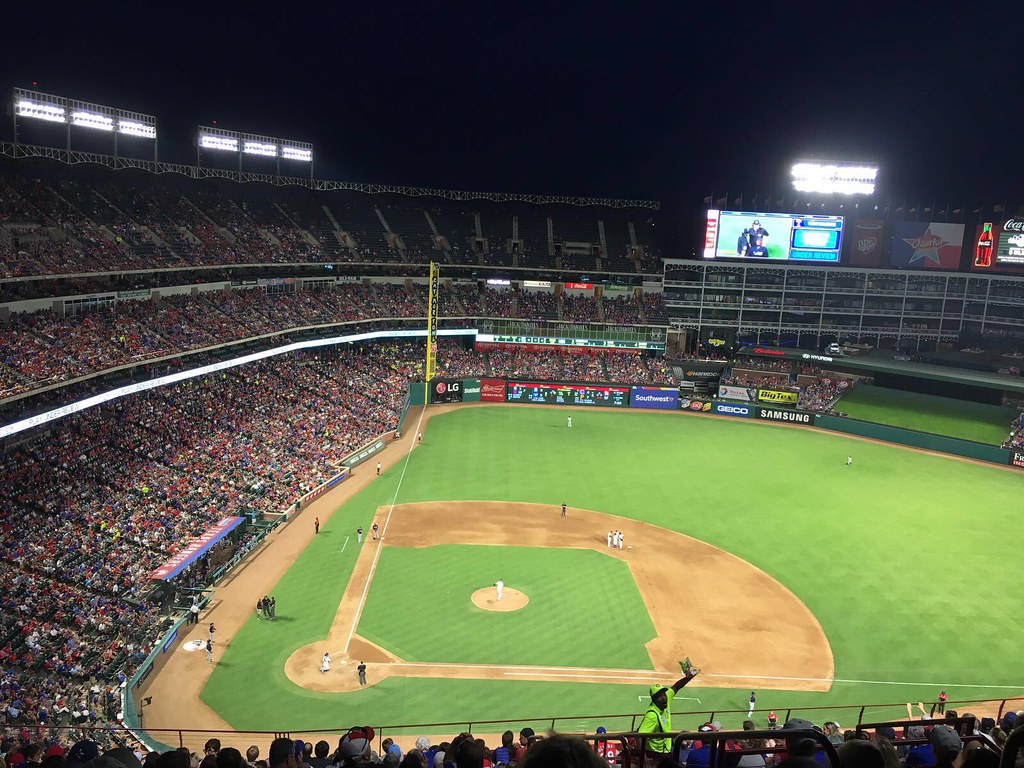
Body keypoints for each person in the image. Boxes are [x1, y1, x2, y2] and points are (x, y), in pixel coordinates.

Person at [637, 664, 701, 762]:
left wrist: (687, 678)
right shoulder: (652, 715)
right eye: (660, 696)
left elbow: (675, 688)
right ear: (654, 699)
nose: (664, 697)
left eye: (664, 694)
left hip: (665, 752)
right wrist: (643, 758)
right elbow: (640, 736)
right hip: (655, 755)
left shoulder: (665, 701)